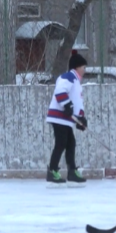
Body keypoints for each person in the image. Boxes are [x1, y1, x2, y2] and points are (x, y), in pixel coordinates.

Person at [45, 50, 88, 186]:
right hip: (59, 117)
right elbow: (60, 91)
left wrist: (81, 118)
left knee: (70, 143)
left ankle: (71, 172)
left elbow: (76, 102)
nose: (85, 70)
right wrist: (67, 105)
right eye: (83, 67)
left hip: (65, 119)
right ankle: (52, 171)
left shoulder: (75, 81)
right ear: (76, 67)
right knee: (61, 143)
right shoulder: (68, 77)